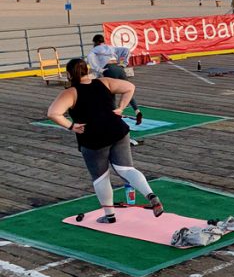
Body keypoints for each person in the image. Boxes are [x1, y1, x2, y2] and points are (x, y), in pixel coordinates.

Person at [46, 59, 163, 224]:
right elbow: (130, 87)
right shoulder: (104, 82)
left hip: (93, 138)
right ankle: (151, 195)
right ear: (87, 70)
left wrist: (71, 126)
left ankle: (110, 216)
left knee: (100, 177)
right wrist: (121, 107)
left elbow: (53, 113)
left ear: (69, 74)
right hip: (118, 130)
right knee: (126, 169)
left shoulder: (71, 93)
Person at [87, 34, 143, 125]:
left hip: (109, 69)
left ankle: (115, 116)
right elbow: (126, 50)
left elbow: (90, 59)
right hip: (118, 68)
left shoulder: (94, 50)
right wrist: (124, 63)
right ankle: (137, 111)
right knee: (128, 90)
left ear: (96, 42)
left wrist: (99, 70)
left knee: (110, 93)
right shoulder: (110, 47)